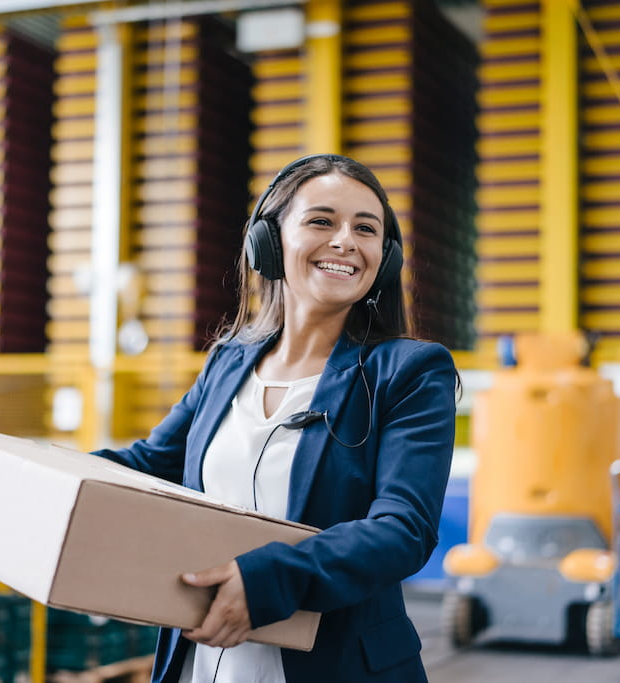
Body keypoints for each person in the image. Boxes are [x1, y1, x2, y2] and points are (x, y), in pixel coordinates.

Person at [93, 154, 457, 682]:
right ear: (267, 242)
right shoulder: (228, 362)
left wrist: (268, 580)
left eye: (366, 229)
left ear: (387, 256)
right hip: (205, 662)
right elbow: (148, 464)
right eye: (321, 221)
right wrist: (38, 475)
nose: (345, 241)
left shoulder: (410, 372)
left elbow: (403, 529)